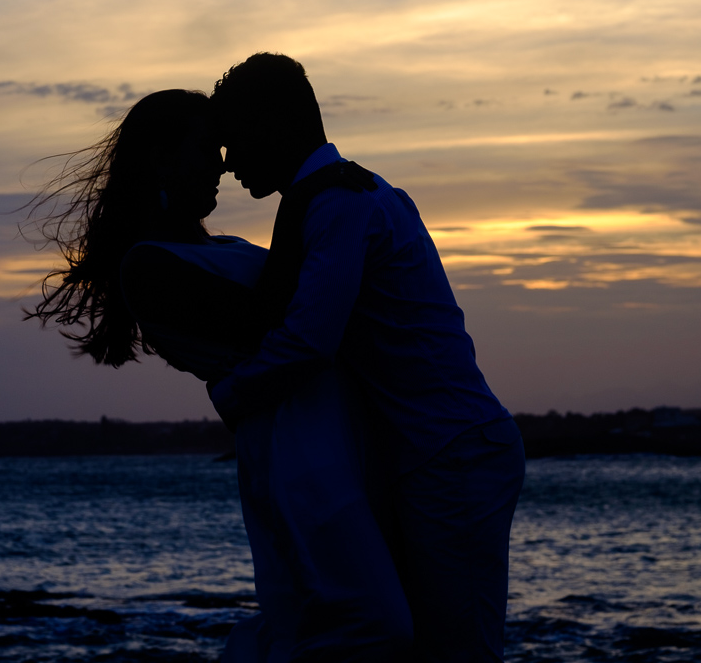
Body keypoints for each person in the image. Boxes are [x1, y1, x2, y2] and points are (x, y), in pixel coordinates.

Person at [25, 89, 412, 662]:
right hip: (298, 459)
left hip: (331, 442)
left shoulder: (218, 248)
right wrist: (306, 192)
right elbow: (269, 315)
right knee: (363, 625)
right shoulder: (149, 267)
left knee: (354, 623)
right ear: (162, 158)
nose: (224, 165)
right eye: (209, 149)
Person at [209, 52, 526, 662]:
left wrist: (230, 395)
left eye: (234, 142)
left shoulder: (339, 205)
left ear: (273, 124)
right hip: (437, 453)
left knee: (456, 653)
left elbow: (308, 339)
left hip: (450, 455)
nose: (228, 166)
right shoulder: (335, 198)